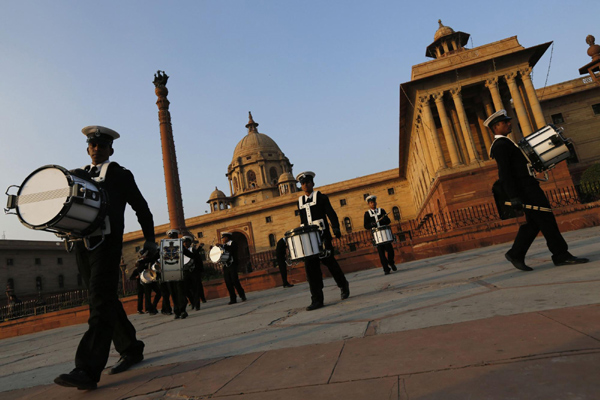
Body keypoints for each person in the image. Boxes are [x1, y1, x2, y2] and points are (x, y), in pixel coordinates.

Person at [54, 125, 156, 390]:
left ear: (111, 149)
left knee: (99, 300)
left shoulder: (120, 175)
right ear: (88, 149)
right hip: (82, 245)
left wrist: (149, 239)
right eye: (93, 145)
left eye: (102, 146)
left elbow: (141, 207)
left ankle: (86, 370)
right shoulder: (76, 175)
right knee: (103, 298)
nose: (97, 149)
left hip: (107, 243)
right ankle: (131, 348)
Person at [486, 110, 589, 271]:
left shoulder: (506, 143)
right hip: (525, 190)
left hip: (528, 187)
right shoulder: (500, 146)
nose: (509, 124)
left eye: (508, 121)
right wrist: (513, 196)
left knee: (535, 223)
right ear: (496, 126)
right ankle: (560, 255)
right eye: (505, 122)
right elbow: (504, 173)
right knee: (546, 219)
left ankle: (516, 253)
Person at [295, 171, 349, 311]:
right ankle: (317, 299)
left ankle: (343, 285)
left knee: (331, 264)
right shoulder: (300, 202)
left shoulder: (321, 197)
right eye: (302, 183)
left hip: (323, 236)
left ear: (312, 183)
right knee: (311, 269)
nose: (305, 185)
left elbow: (330, 213)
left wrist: (336, 228)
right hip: (309, 240)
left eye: (307, 182)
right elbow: (303, 220)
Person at [363, 195, 397, 275]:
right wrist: (371, 224)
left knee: (390, 251)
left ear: (376, 202)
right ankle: (386, 269)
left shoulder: (381, 211)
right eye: (371, 203)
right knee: (381, 254)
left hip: (385, 234)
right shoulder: (367, 214)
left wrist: (384, 219)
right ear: (369, 204)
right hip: (377, 235)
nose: (373, 204)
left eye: (374, 202)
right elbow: (366, 226)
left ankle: (391, 262)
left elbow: (388, 221)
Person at [215, 232, 246, 304]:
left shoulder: (233, 243)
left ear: (227, 238)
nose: (222, 239)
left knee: (235, 281)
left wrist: (222, 246)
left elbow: (231, 250)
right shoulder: (224, 245)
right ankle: (233, 298)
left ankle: (242, 295)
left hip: (232, 265)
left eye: (223, 238)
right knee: (228, 282)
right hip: (226, 265)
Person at [182, 236, 205, 310]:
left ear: (190, 242)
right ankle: (192, 302)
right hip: (185, 272)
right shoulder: (181, 251)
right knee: (185, 289)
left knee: (196, 289)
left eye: (187, 242)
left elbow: (198, 259)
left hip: (194, 271)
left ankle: (197, 305)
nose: (185, 243)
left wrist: (200, 270)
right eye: (184, 242)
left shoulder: (193, 250)